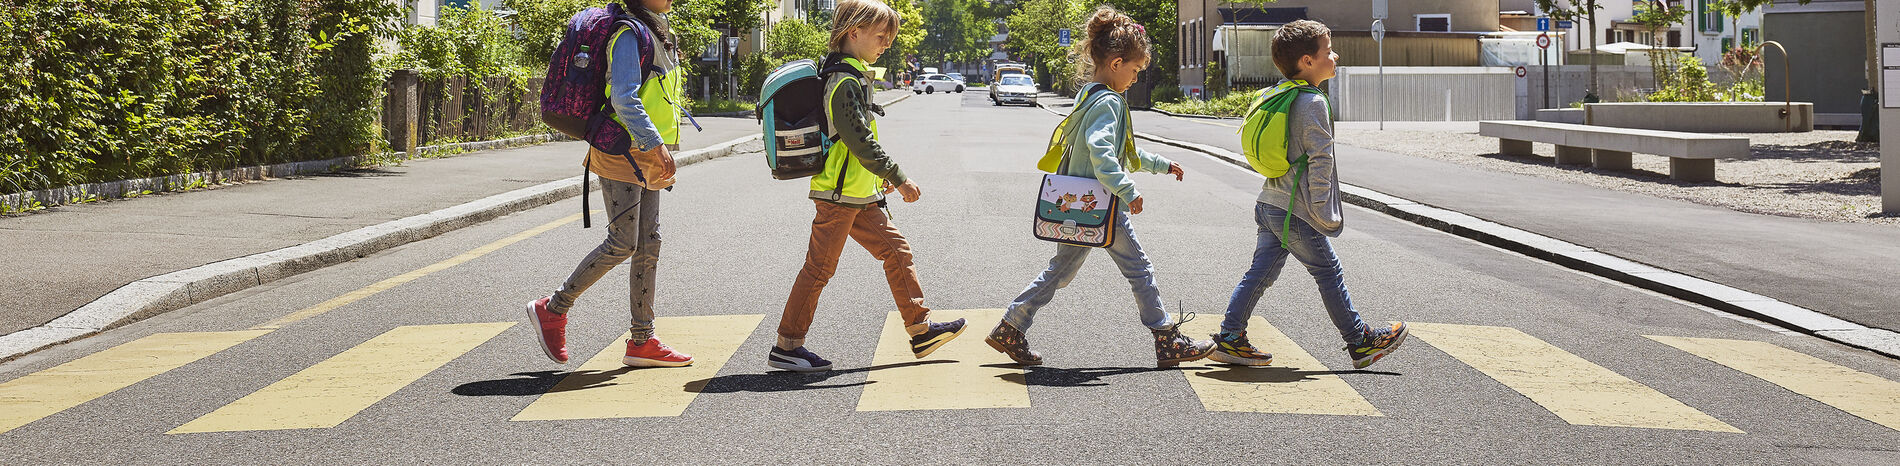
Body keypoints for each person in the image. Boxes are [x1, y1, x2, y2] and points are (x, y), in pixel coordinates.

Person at [984, 6, 1213, 368]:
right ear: (1117, 62)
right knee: (1140, 270)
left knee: (1060, 272)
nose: (1136, 78)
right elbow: (1103, 152)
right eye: (1135, 70)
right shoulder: (1109, 101)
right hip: (1101, 206)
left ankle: (1011, 326)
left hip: (1078, 204)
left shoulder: (1089, 95)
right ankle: (1167, 340)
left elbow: (1125, 153)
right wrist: (1129, 191)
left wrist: (1162, 164)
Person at [768, 0, 966, 373]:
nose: (886, 44)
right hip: (840, 196)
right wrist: (898, 177)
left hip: (859, 194)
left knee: (897, 252)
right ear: (853, 33)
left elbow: (854, 143)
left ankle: (920, 329)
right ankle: (787, 345)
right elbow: (858, 140)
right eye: (880, 36)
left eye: (889, 37)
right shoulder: (843, 81)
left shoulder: (852, 75)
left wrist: (877, 181)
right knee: (819, 269)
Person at [1210, 19, 1408, 369]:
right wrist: (1321, 211)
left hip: (1270, 202)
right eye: (1327, 51)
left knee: (1260, 274)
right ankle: (1360, 341)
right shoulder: (1312, 102)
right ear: (1307, 61)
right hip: (1297, 212)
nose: (1335, 55)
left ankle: (1230, 337)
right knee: (1328, 271)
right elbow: (1320, 161)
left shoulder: (1281, 93)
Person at [526, 0, 694, 368]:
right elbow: (624, 97)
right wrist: (655, 143)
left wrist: (660, 144)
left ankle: (642, 341)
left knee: (649, 243)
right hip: (623, 150)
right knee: (622, 243)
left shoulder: (658, 27)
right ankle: (553, 308)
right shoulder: (628, 33)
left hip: (645, 151)